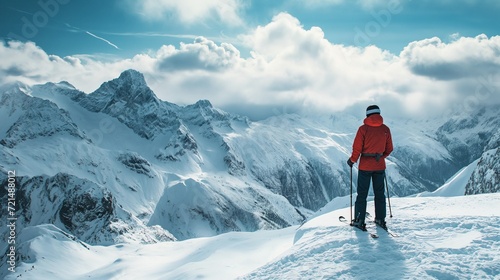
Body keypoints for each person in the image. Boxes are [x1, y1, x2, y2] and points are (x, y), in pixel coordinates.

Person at [347, 105, 393, 230]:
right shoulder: (385, 129)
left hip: (365, 166)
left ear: (367, 115)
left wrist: (352, 160)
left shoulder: (363, 129)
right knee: (380, 193)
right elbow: (389, 148)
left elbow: (357, 148)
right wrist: (381, 157)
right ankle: (380, 219)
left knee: (362, 194)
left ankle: (359, 220)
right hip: (379, 166)